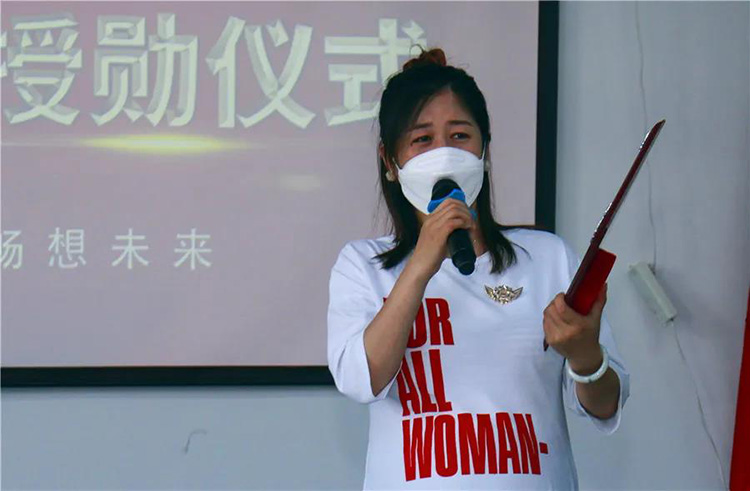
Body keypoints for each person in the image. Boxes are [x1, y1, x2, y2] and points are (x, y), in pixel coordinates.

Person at [327, 48, 630, 490]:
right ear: (390, 162)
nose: (444, 154)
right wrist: (421, 265)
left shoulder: (547, 258)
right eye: (422, 140)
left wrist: (585, 356)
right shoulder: (362, 266)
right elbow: (360, 381)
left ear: (485, 151)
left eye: (460, 136)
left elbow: (606, 406)